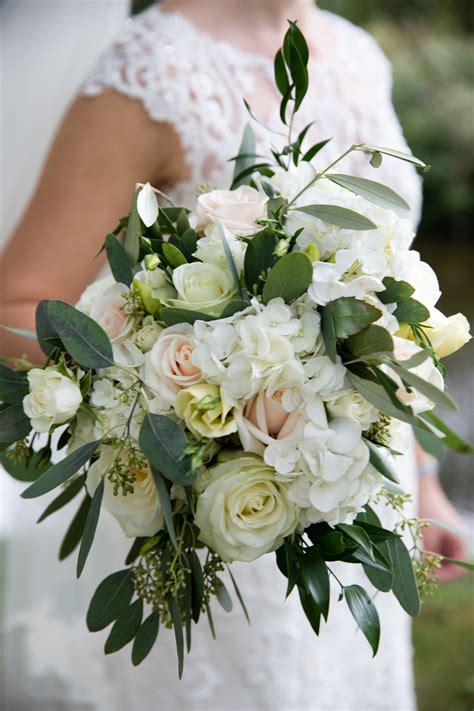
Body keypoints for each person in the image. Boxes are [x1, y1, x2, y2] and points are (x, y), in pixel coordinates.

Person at [0, 1, 468, 709]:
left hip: (356, 514)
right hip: (211, 533)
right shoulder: (151, 70)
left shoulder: (359, 54)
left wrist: (423, 478)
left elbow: (380, 308)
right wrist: (175, 400)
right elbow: (18, 302)